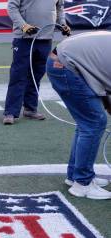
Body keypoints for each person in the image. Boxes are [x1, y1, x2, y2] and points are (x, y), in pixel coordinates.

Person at [46, 31, 111, 200]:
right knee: (94, 122)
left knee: (87, 123)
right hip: (67, 66)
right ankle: (82, 184)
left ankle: (75, 175)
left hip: (63, 61)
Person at [3, 0, 70, 125]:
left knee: (36, 75)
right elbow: (12, 7)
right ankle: (10, 112)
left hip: (46, 37)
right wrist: (24, 26)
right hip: (24, 38)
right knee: (18, 75)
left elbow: (59, 7)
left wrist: (62, 24)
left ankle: (30, 109)